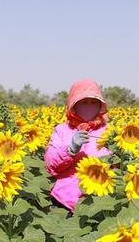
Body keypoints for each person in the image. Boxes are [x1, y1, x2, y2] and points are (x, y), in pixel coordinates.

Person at [45, 79, 111, 212]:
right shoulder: (62, 130)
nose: (88, 106)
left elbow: (117, 165)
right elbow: (50, 165)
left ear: (100, 105)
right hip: (65, 200)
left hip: (99, 200)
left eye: (93, 102)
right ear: (73, 104)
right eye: (83, 102)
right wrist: (70, 150)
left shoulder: (109, 131)